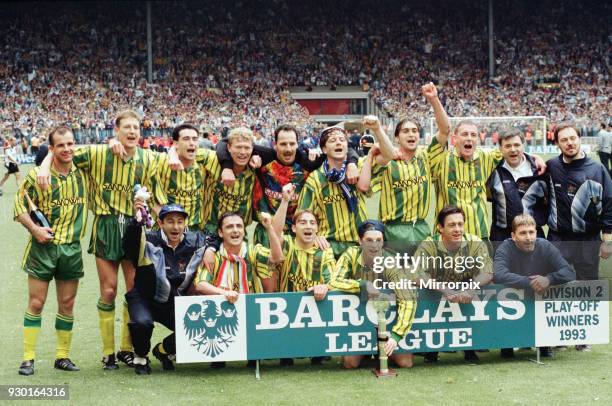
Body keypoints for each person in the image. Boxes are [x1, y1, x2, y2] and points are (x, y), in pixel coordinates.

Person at [37, 110, 165, 369]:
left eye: (136, 127)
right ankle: (108, 352)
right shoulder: (98, 154)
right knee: (108, 291)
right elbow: (62, 150)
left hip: (133, 226)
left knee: (133, 292)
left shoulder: (149, 159)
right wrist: (43, 166)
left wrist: (163, 223)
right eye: (126, 127)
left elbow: (158, 197)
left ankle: (126, 349)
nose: (132, 132)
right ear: (115, 131)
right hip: (106, 225)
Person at [14, 126, 88, 375]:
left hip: (71, 248)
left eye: (70, 144)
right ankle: (28, 358)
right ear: (52, 149)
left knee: (67, 303)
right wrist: (35, 230)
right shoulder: (37, 175)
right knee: (37, 302)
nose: (67, 149)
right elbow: (19, 205)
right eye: (61, 145)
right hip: (43, 248)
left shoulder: (83, 172)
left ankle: (62, 357)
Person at [122, 202, 213, 374]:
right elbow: (129, 245)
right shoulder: (148, 240)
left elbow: (216, 237)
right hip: (145, 298)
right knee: (142, 323)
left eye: (180, 221)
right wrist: (136, 222)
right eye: (170, 221)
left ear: (185, 224)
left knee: (200, 326)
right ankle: (141, 356)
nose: (175, 226)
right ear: (161, 223)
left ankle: (163, 350)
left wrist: (210, 249)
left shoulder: (196, 240)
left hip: (173, 301)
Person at [358, 83, 450, 250]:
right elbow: (364, 186)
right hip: (394, 229)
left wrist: (434, 99)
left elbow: (445, 130)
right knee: (397, 275)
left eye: (415, 131)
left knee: (424, 274)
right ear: (397, 138)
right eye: (406, 131)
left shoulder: (426, 156)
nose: (412, 134)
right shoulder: (387, 160)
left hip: (421, 228)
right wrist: (377, 130)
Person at [429, 120, 545, 241]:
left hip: (479, 234)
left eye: (473, 135)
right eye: (464, 134)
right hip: (448, 236)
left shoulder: (486, 158)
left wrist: (534, 157)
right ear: (454, 138)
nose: (469, 138)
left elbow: (510, 149)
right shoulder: (442, 161)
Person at [330, 220, 417, 369]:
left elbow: (408, 299)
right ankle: (368, 353)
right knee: (350, 363)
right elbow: (334, 281)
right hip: (360, 319)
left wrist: (396, 336)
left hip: (387, 319)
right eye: (369, 240)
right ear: (360, 241)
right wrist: (362, 285)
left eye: (378, 240)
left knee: (405, 363)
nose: (374, 245)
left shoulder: (391, 261)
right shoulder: (351, 254)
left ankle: (381, 350)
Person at [414, 205, 493, 362]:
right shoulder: (429, 244)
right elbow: (416, 274)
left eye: (460, 224)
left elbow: (488, 272)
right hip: (436, 293)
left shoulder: (475, 242)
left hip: (466, 292)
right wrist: (443, 289)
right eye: (451, 225)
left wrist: (471, 289)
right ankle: (431, 350)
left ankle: (470, 348)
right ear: (440, 228)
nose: (457, 229)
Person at [272, 184, 336, 366]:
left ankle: (317, 352)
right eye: (302, 222)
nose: (308, 226)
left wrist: (325, 286)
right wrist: (285, 201)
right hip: (286, 314)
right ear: (293, 229)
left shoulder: (325, 252)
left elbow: (333, 280)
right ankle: (287, 354)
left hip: (315, 313)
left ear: (317, 229)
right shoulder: (288, 246)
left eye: (312, 223)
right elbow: (275, 234)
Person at [494, 214, 575, 358]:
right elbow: (498, 274)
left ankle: (545, 344)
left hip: (541, 298)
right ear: (513, 236)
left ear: (536, 233)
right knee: (501, 290)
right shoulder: (505, 247)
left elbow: (569, 272)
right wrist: (530, 282)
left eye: (531, 232)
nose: (528, 237)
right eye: (523, 233)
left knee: (550, 291)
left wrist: (549, 279)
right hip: (513, 298)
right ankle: (507, 345)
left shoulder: (545, 245)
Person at [297, 125, 368, 258]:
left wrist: (376, 129)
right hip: (329, 248)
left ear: (347, 146)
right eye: (332, 140)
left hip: (360, 245)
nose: (338, 142)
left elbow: (384, 157)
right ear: (324, 149)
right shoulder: (316, 178)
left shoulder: (359, 167)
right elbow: (302, 214)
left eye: (342, 139)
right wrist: (315, 236)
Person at [487, 129, 549, 243]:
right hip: (501, 236)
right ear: (500, 148)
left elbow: (548, 200)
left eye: (517, 145)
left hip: (532, 234)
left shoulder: (539, 169)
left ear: (523, 145)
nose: (513, 149)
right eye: (508, 146)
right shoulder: (492, 169)